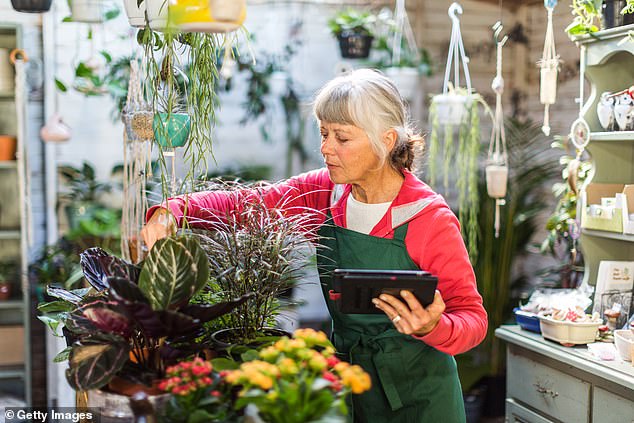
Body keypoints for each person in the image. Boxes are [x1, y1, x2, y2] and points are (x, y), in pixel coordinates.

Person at [141, 68, 487, 422]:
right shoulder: (325, 193)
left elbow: (472, 318)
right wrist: (174, 211)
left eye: (342, 138)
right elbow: (249, 203)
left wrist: (433, 327)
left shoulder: (428, 218)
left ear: (385, 140)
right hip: (351, 384)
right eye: (324, 134)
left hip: (422, 397)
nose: (325, 149)